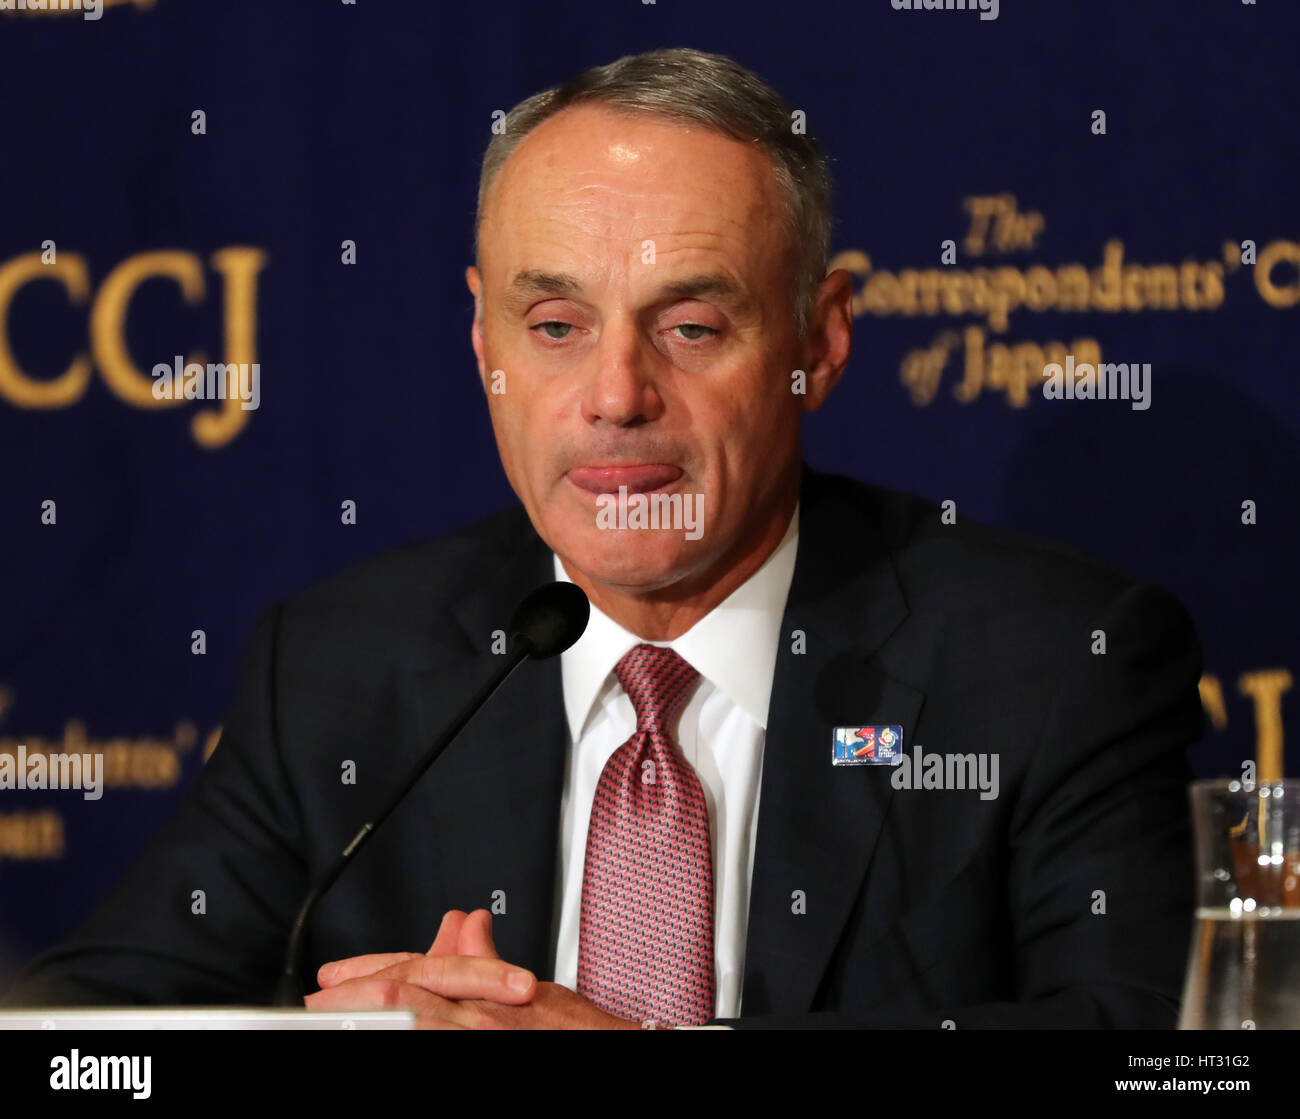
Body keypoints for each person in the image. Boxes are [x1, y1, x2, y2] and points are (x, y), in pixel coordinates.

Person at [2, 47, 1203, 1029]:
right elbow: (89, 1037)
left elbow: (1133, 1038)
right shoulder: (337, 668)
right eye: (557, 323)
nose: (616, 394)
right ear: (484, 345)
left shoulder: (1055, 661)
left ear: (819, 341)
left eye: (688, 324)